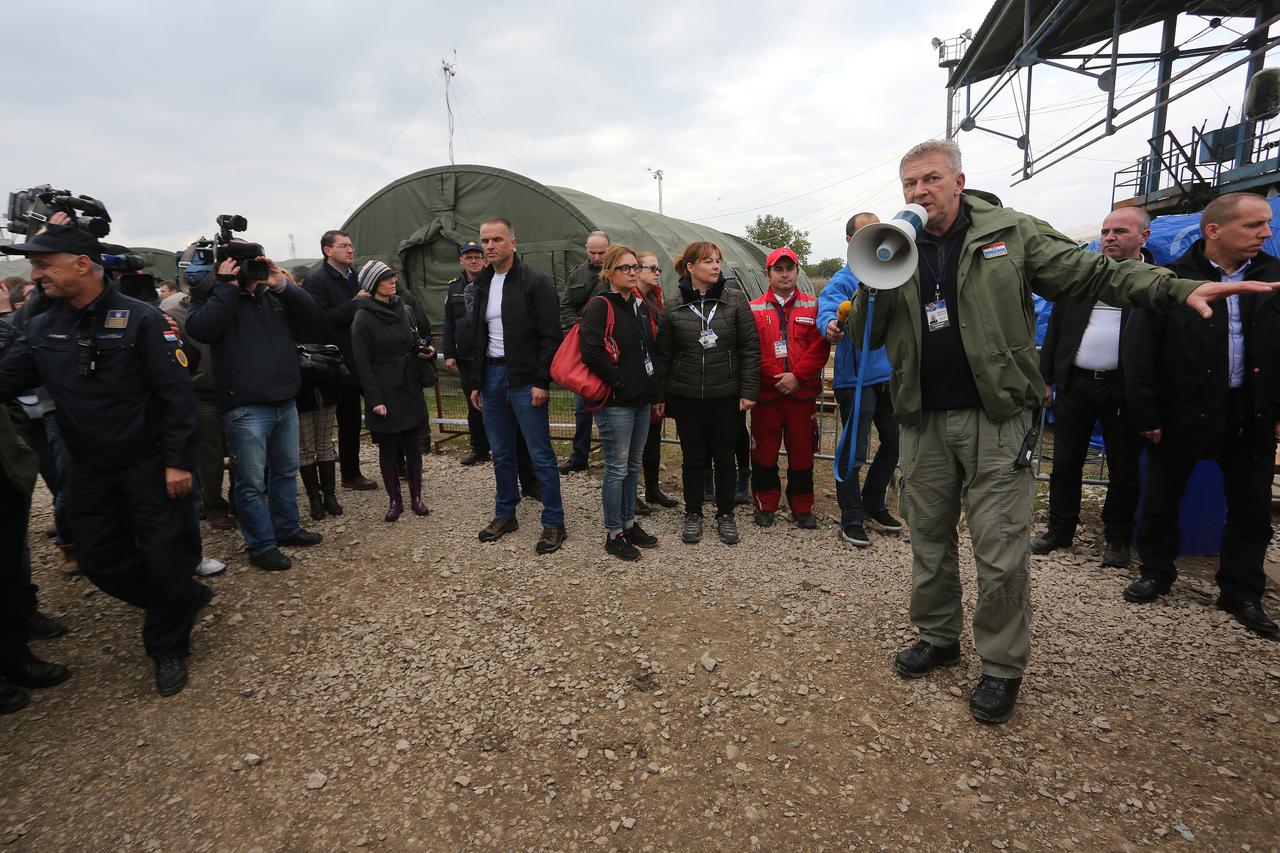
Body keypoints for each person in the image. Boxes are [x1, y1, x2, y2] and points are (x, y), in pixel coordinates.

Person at [849, 139, 1276, 724]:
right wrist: (868, 285)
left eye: (929, 180)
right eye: (909, 184)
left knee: (999, 551)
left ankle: (1000, 666)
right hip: (922, 418)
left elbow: (1094, 273)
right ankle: (939, 635)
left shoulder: (1010, 232)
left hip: (997, 419)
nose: (919, 193)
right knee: (928, 537)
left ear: (958, 181)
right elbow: (866, 339)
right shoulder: (895, 246)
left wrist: (1176, 288)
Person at [0, 223, 211, 696]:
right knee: (98, 559)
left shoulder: (141, 319)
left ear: (81, 264)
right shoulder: (40, 325)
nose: (35, 274)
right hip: (87, 465)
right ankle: (181, 599)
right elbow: (6, 377)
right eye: (33, 266)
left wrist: (178, 461)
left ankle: (167, 645)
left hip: (150, 463)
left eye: (43, 264)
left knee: (164, 555)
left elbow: (176, 395)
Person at [1123, 192, 1280, 638]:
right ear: (1214, 230)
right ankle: (1156, 571)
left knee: (1251, 507)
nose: (1266, 233)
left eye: (1267, 224)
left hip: (1250, 413)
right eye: (1254, 225)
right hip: (1181, 412)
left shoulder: (1274, 278)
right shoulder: (1171, 282)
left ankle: (1242, 590)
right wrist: (1148, 416)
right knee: (1162, 497)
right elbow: (1140, 354)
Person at [187, 249, 323, 572]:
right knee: (250, 483)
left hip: (284, 399)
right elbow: (202, 329)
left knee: (285, 473)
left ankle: (287, 529)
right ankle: (261, 545)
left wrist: (281, 284)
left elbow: (311, 315)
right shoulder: (212, 298)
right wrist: (225, 287)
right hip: (246, 407)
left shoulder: (270, 295)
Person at [1033, 207, 1150, 567]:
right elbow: (1056, 329)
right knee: (1066, 463)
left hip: (1123, 389)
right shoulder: (1083, 278)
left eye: (1120, 231)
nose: (1110, 237)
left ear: (1143, 237)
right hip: (1077, 385)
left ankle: (1117, 538)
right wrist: (1047, 377)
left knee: (1123, 467)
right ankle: (1060, 529)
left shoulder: (1154, 280)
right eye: (1106, 231)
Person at [468, 217, 567, 554]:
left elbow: (550, 336)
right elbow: (477, 337)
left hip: (525, 380)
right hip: (492, 378)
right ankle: (505, 513)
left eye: (496, 239)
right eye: (485, 240)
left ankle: (554, 521)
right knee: (501, 453)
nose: (490, 246)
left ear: (513, 242)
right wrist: (476, 382)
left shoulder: (534, 282)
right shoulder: (481, 284)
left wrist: (542, 380)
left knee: (540, 454)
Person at [657, 240, 761, 546]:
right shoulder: (674, 306)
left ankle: (725, 514)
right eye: (708, 261)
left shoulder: (735, 300)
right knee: (693, 458)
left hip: (725, 394)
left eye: (717, 260)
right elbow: (663, 355)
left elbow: (750, 349)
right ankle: (693, 513)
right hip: (688, 395)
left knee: (725, 458)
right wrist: (661, 396)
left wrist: (748, 390)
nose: (716, 266)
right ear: (691, 267)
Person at [820, 213, 902, 547]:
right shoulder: (842, 281)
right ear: (851, 241)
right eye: (866, 233)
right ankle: (851, 515)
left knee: (894, 443)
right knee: (854, 449)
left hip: (889, 376)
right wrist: (830, 325)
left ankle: (873, 502)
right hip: (856, 378)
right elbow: (827, 312)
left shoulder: (894, 274)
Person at [580, 245, 662, 560]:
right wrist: (617, 381)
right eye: (626, 268)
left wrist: (653, 393)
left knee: (631, 465)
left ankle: (629, 523)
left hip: (640, 399)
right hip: (617, 402)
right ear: (610, 272)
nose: (632, 273)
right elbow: (590, 351)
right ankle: (614, 533)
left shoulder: (638, 305)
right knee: (616, 468)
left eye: (634, 268)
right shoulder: (601, 305)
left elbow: (647, 350)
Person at [0, 345, 70, 714]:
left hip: (5, 473)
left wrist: (16, 447)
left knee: (8, 568)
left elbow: (8, 396)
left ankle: (15, 657)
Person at [748, 247, 830, 529]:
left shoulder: (814, 306)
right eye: (778, 269)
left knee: (802, 453)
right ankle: (765, 504)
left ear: (797, 271)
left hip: (801, 395)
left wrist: (796, 376)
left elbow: (821, 346)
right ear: (768, 273)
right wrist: (777, 377)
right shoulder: (754, 308)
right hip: (767, 397)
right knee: (764, 452)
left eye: (789, 268)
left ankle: (802, 506)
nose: (785, 274)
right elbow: (752, 350)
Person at [350, 261, 432, 521]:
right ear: (373, 284)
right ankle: (395, 501)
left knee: (413, 445)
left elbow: (413, 342)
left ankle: (416, 497)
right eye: (386, 278)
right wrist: (374, 399)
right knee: (387, 448)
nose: (393, 280)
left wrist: (425, 352)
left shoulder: (404, 309)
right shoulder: (362, 317)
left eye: (393, 276)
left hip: (409, 386)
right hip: (384, 390)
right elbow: (362, 364)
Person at [302, 231, 378, 491]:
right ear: (327, 251)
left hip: (364, 356)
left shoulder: (356, 275)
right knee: (348, 420)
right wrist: (355, 303)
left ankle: (398, 463)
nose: (349, 250)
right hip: (340, 362)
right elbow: (320, 320)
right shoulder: (316, 280)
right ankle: (350, 473)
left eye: (350, 245)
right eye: (343, 246)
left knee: (379, 410)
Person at [559, 230, 610, 474]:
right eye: (593, 252)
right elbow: (566, 305)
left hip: (613, 348)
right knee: (582, 407)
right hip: (585, 348)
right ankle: (579, 456)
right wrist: (578, 327)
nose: (598, 257)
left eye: (602, 252)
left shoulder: (619, 273)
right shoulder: (577, 274)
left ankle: (615, 458)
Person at [634, 251, 678, 512]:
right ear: (636, 270)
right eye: (652, 268)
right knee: (635, 442)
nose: (657, 272)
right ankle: (631, 494)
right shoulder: (630, 300)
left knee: (652, 437)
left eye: (658, 269)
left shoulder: (654, 298)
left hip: (654, 376)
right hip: (638, 378)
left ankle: (651, 489)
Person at [444, 241, 492, 465]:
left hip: (489, 354)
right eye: (468, 257)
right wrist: (449, 352)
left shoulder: (493, 282)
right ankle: (479, 448)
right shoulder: (454, 287)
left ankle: (500, 445)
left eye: (477, 257)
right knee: (472, 403)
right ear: (461, 261)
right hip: (465, 357)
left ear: (484, 260)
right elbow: (449, 322)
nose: (473, 261)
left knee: (495, 401)